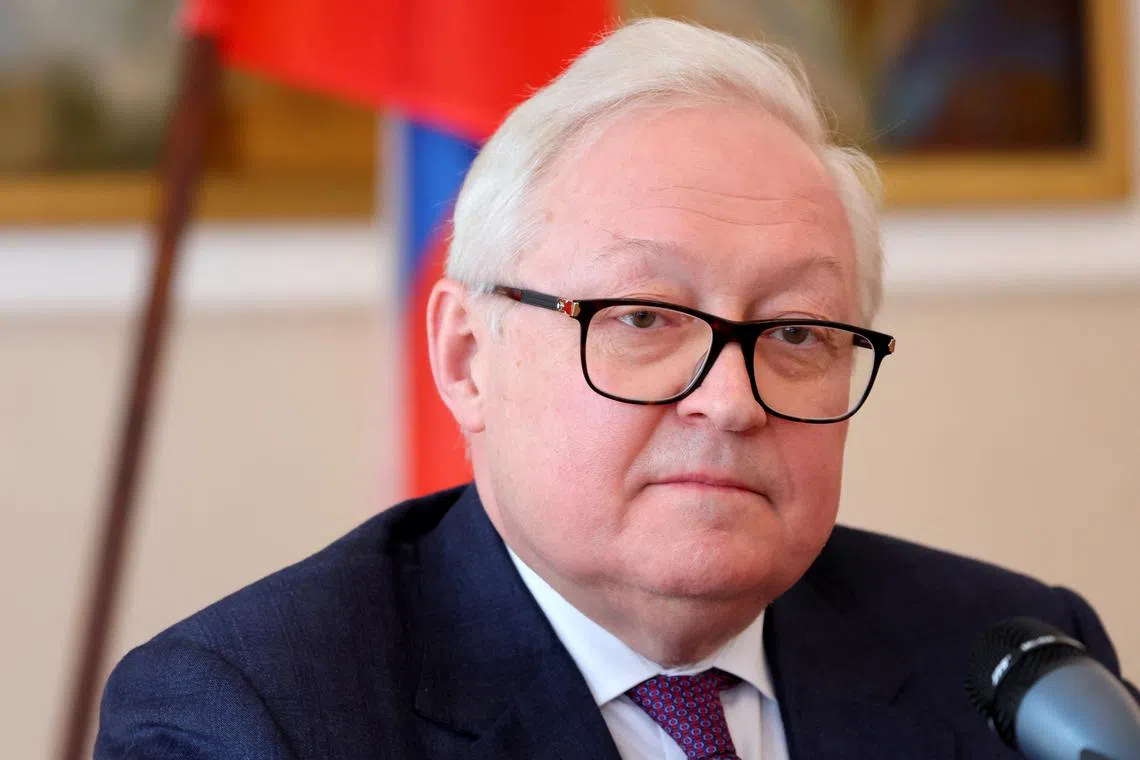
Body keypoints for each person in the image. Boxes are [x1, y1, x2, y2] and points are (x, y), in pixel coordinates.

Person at [96, 18, 1135, 759]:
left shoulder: (1017, 667)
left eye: (800, 332)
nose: (731, 401)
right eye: (643, 318)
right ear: (466, 357)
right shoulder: (255, 715)